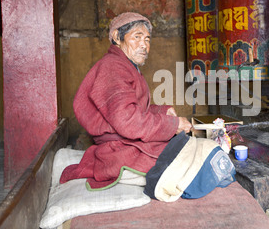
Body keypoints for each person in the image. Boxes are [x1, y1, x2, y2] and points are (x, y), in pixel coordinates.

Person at [60, 12, 192, 190]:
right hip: (118, 150)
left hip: (126, 142)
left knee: (184, 149)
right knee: (183, 158)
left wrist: (162, 111)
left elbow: (133, 108)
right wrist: (172, 124)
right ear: (117, 37)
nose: (144, 45)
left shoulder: (126, 65)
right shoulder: (113, 66)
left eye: (147, 39)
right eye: (137, 37)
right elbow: (128, 120)